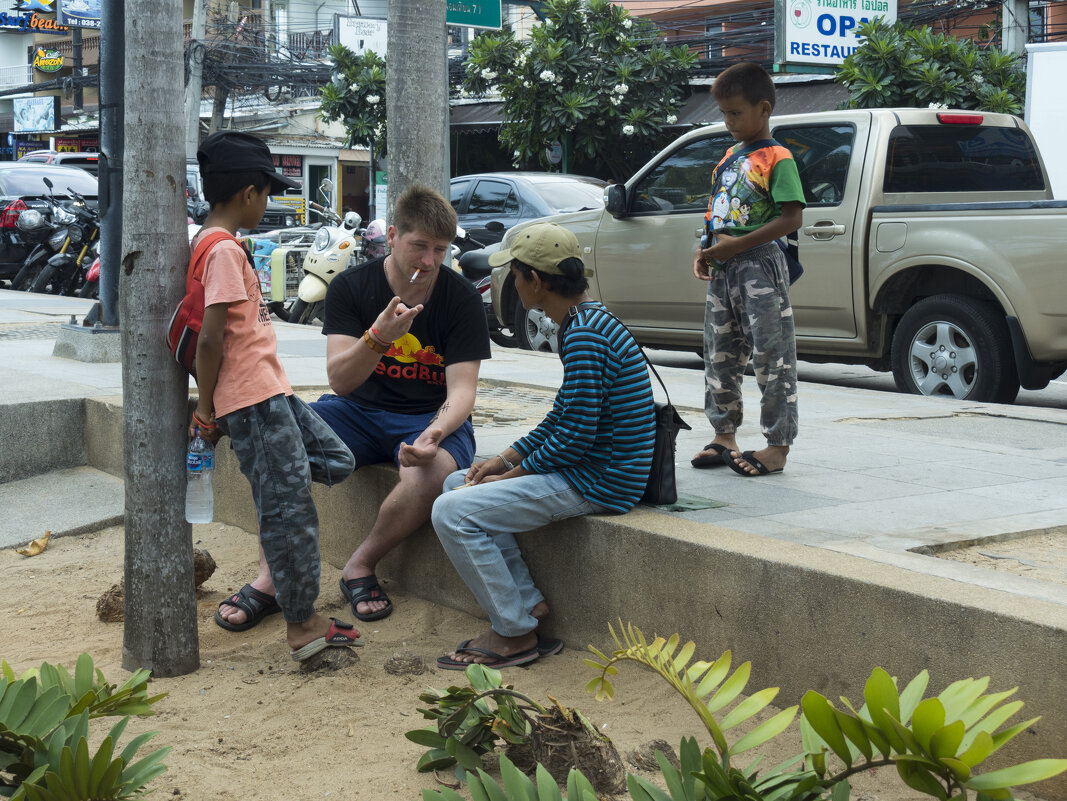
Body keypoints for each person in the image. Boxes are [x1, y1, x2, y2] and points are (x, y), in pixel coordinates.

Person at [222, 184, 491, 627]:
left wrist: (435, 433)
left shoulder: (460, 297)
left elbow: (462, 391)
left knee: (436, 472)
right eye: (419, 246)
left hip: (428, 415)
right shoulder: (351, 287)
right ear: (392, 238)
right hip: (356, 411)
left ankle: (360, 565)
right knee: (280, 444)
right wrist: (379, 336)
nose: (429, 261)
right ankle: (271, 578)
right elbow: (341, 381)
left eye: (440, 250)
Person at [431, 222, 656, 670]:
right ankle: (527, 605)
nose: (513, 284)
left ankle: (513, 634)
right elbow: (564, 417)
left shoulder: (585, 336)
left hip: (601, 481)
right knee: (460, 479)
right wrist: (503, 459)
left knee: (452, 511)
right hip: (592, 468)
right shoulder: (589, 321)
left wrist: (512, 475)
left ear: (534, 279)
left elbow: (575, 437)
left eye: (515, 275)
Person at [192, 131, 360, 662]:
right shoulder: (220, 250)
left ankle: (273, 489)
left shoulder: (222, 245)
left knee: (336, 459)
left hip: (271, 393)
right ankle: (303, 625)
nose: (268, 203)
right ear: (247, 193)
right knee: (291, 516)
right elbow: (211, 336)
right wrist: (205, 408)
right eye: (267, 193)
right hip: (252, 402)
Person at [689, 62, 805, 478]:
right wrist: (705, 251)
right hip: (724, 266)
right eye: (723, 114)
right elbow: (717, 213)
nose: (728, 122)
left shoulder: (778, 158)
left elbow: (791, 219)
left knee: (772, 359)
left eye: (736, 113)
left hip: (759, 265)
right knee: (720, 353)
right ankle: (724, 435)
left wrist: (735, 245)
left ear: (764, 108)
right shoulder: (728, 158)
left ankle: (777, 446)